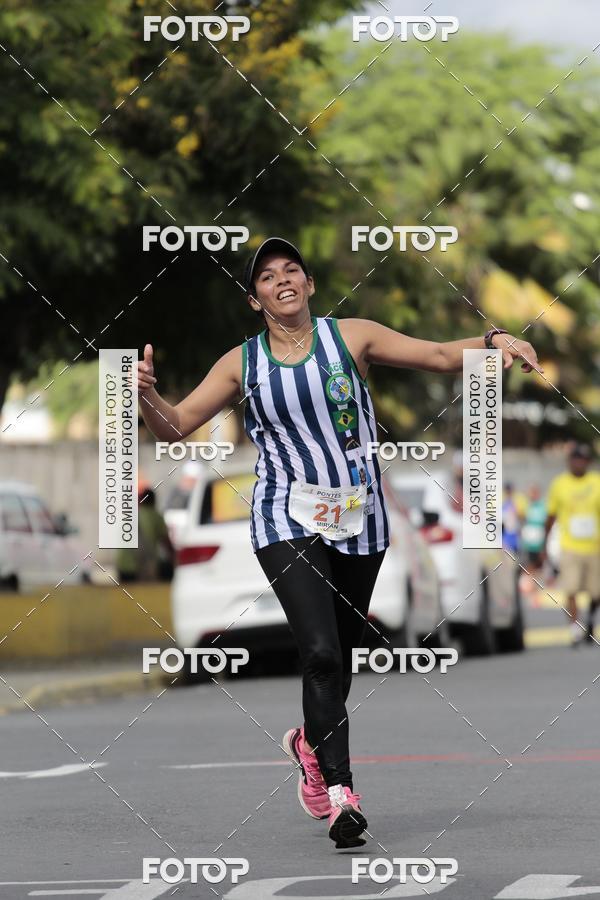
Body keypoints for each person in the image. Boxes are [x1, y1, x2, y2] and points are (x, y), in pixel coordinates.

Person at [136, 236, 541, 848]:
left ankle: (307, 743)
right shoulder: (239, 364)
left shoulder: (351, 337)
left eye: (291, 269)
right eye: (268, 277)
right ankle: (342, 795)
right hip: (283, 517)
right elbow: (174, 428)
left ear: (309, 284)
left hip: (360, 518)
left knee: (340, 660)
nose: (282, 281)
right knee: (320, 653)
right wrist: (144, 395)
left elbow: (434, 353)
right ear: (256, 300)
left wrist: (493, 340)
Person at [543, 444, 600, 646]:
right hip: (570, 546)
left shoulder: (596, 482)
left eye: (583, 460)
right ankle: (575, 629)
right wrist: (544, 544)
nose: (579, 463)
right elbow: (551, 515)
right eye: (575, 460)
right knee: (571, 589)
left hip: (595, 547)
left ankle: (591, 620)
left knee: (596, 592)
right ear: (569, 462)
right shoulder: (560, 484)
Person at [116, 487, 174, 582]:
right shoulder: (156, 517)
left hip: (122, 566)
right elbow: (167, 543)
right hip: (140, 567)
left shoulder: (129, 517)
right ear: (154, 501)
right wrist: (175, 559)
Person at [521, 484, 547, 570]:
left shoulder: (543, 506)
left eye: (534, 493)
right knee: (528, 566)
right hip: (528, 543)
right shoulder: (527, 505)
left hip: (540, 543)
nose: (531, 495)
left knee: (539, 567)